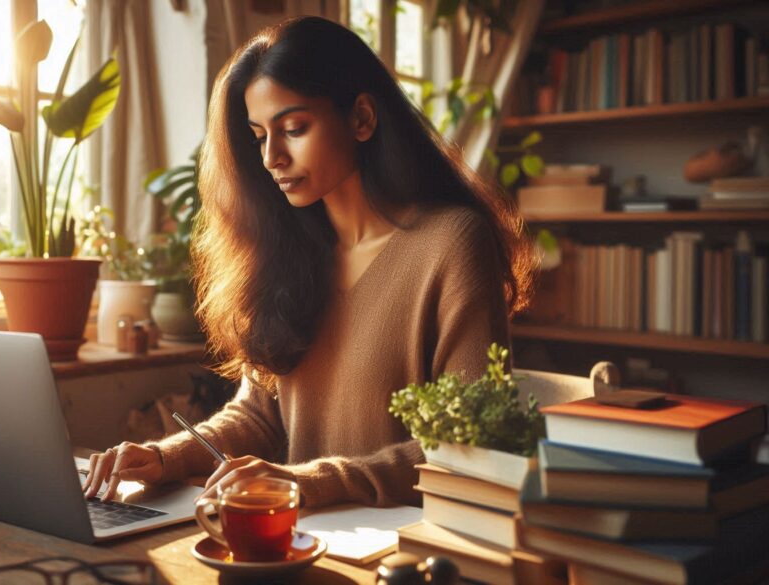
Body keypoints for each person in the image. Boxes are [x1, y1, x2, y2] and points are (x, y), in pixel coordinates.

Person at [84, 16, 534, 509]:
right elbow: (259, 415)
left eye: (294, 128)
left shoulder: (450, 244)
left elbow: (469, 447)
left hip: (402, 551)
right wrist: (166, 456)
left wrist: (307, 482)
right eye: (259, 136)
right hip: (294, 537)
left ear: (362, 119)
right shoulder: (288, 253)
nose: (272, 156)